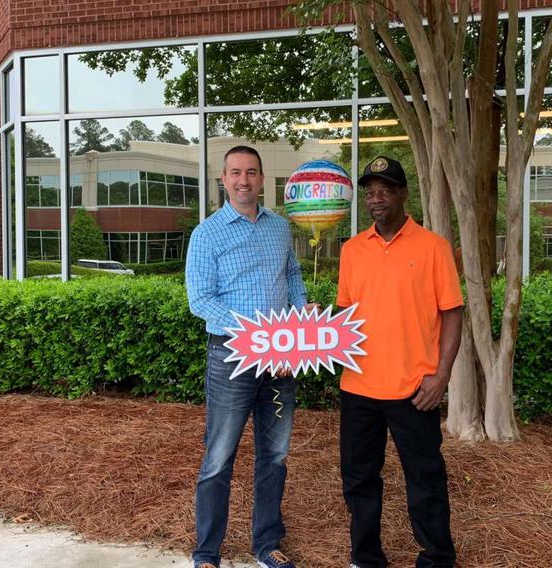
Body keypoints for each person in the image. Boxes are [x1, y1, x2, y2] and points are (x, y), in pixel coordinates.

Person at [185, 146, 314, 568]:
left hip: (281, 358)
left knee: (274, 454)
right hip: (231, 358)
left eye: (252, 172)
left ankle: (266, 545)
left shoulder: (279, 228)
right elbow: (200, 299)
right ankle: (207, 553)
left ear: (262, 180)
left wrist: (301, 314)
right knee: (219, 455)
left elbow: (292, 274)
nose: (244, 180)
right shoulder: (207, 233)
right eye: (236, 172)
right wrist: (255, 335)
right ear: (223, 179)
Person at [336, 156, 464, 568]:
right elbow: (343, 316)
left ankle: (437, 558)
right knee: (359, 480)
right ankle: (366, 558)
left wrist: (441, 376)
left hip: (414, 390)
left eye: (385, 190)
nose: (376, 199)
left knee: (425, 481)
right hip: (358, 388)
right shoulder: (352, 250)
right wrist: (312, 335)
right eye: (370, 192)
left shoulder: (433, 247)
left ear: (403, 194)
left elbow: (452, 313)